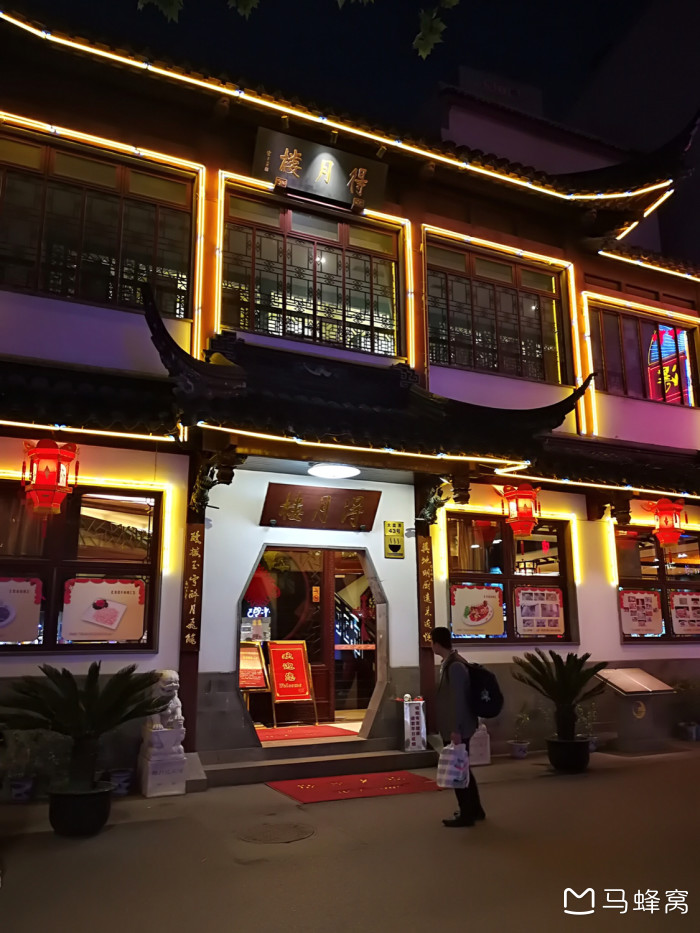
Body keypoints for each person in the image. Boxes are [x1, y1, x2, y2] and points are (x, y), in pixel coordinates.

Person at [431, 626, 486, 828]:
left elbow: (458, 701)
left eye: (432, 642)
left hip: (458, 727)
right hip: (458, 725)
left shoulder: (454, 666)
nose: (431, 646)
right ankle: (475, 809)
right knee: (463, 768)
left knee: (459, 770)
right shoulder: (452, 662)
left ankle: (467, 814)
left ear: (437, 644)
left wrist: (455, 729)